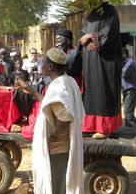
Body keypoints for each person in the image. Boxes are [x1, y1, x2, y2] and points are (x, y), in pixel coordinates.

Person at [15, 48, 84, 194]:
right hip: (61, 144)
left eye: (44, 61)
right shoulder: (67, 81)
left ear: (50, 66)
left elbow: (65, 117)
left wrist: (52, 137)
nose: (41, 63)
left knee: (56, 183)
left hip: (58, 147)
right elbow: (50, 102)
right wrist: (32, 91)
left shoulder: (59, 87)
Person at [79, 0, 122, 139]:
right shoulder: (90, 14)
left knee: (103, 92)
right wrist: (82, 39)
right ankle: (91, 126)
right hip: (90, 63)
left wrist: (90, 37)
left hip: (105, 62)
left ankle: (105, 128)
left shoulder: (110, 11)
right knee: (91, 93)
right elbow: (82, 34)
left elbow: (109, 34)